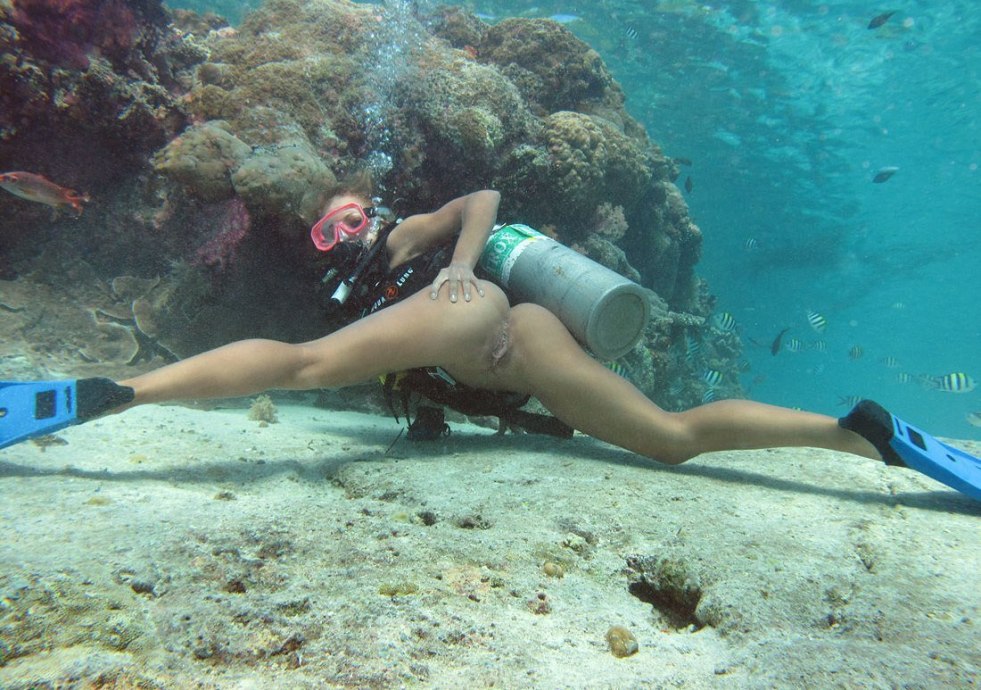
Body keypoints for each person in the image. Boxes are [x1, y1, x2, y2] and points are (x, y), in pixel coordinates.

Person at [1, 181, 978, 500]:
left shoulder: (402, 236)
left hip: (476, 315)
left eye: (350, 215)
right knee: (669, 438)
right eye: (325, 230)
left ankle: (110, 393)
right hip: (519, 338)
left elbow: (484, 199)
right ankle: (859, 434)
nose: (343, 235)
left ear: (373, 205)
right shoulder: (369, 281)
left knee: (298, 366)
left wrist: (460, 257)